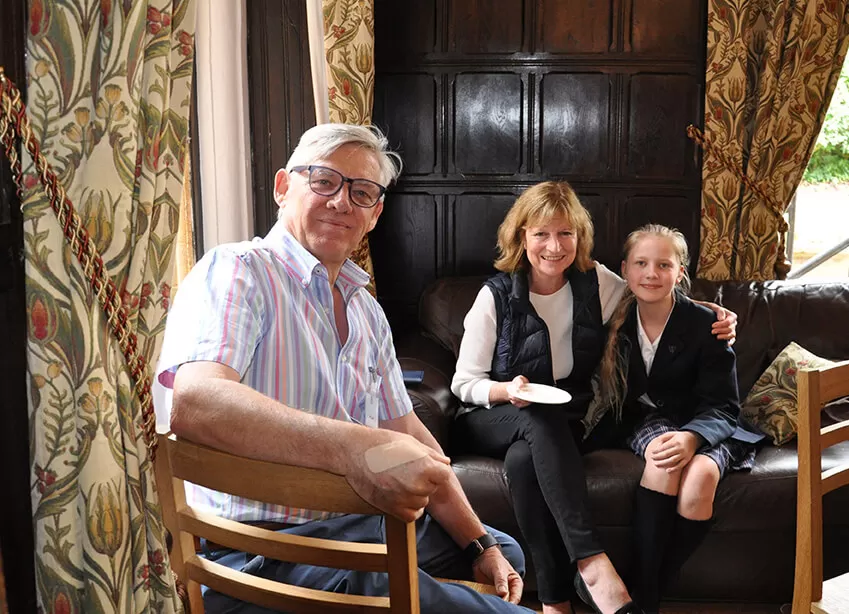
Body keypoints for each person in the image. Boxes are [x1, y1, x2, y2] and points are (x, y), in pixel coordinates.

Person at [154, 123, 536, 613]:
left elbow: (407, 431)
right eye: (324, 181)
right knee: (460, 599)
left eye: (361, 193)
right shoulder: (237, 270)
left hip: (349, 526)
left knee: (503, 553)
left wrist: (479, 543)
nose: (341, 202)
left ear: (375, 214)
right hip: (258, 551)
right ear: (283, 187)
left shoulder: (365, 309)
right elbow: (196, 403)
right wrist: (354, 449)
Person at [449, 182, 737, 614]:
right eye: (541, 234)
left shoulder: (596, 282)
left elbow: (649, 289)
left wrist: (710, 313)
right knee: (536, 419)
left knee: (524, 462)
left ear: (579, 237)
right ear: (522, 237)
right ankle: (592, 564)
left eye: (565, 233)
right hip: (492, 414)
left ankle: (554, 601)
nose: (554, 246)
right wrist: (507, 390)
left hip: (558, 422)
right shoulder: (496, 295)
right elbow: (464, 382)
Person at [597, 224, 763, 614]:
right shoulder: (614, 319)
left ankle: (643, 591)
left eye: (664, 265)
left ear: (680, 272)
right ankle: (648, 602)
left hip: (710, 421)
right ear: (624, 269)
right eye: (641, 263)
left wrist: (693, 437)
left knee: (700, 477)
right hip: (650, 419)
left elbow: (724, 405)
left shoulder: (706, 324)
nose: (651, 274)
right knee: (664, 457)